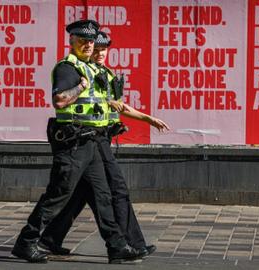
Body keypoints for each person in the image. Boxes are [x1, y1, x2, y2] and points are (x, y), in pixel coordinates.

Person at [11, 20, 141, 264]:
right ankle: (26, 242)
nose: (88, 45)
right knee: (58, 194)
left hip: (91, 141)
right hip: (72, 142)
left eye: (91, 41)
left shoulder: (90, 68)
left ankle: (117, 246)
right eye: (82, 41)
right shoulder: (68, 68)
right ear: (71, 41)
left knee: (102, 196)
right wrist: (81, 86)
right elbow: (60, 100)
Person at [39, 31, 169, 257]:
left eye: (103, 49)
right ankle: (129, 243)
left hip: (99, 138)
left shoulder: (104, 73)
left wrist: (145, 119)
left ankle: (50, 238)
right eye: (95, 49)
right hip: (87, 139)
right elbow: (76, 99)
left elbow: (116, 106)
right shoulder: (79, 70)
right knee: (114, 191)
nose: (99, 53)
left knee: (81, 194)